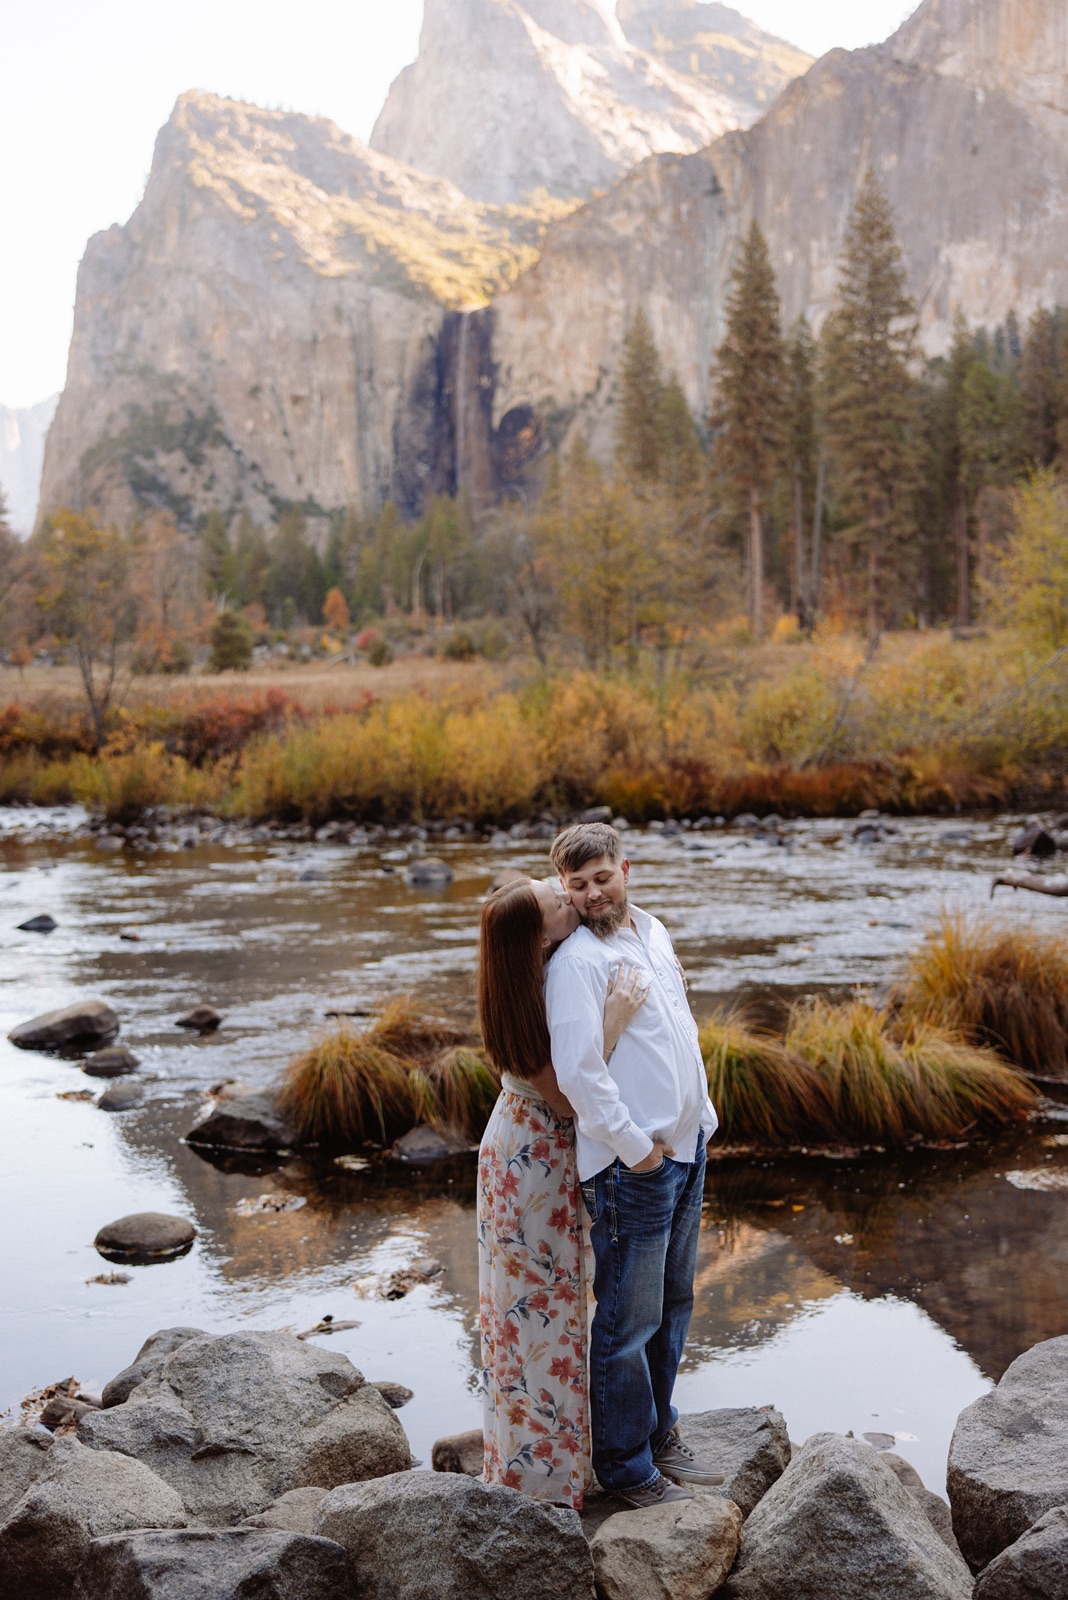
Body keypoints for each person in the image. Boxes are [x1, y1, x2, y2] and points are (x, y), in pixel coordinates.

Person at [545, 821, 723, 1510]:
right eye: (577, 885)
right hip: (635, 1169)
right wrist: (639, 1152)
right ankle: (623, 1468)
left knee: (673, 1302)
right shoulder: (576, 965)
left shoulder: (654, 932)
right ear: (567, 888)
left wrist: (701, 1119)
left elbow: (680, 1026)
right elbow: (581, 1076)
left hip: (687, 1150)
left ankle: (659, 1434)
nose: (592, 893)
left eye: (601, 878)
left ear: (626, 869)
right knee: (626, 1319)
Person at [477, 875, 646, 1510]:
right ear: (539, 934)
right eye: (555, 900)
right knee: (540, 1309)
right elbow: (568, 1095)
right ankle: (544, 1479)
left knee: (538, 1304)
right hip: (533, 1160)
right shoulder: (529, 996)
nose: (566, 895)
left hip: (523, 1151)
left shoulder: (529, 975)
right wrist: (614, 1020)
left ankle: (552, 1456)